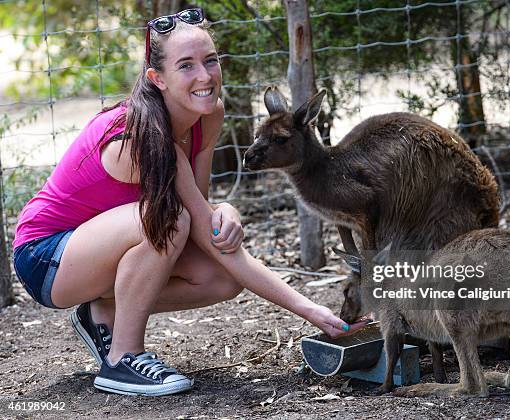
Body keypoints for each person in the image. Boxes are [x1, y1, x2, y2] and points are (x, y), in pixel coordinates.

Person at [12, 8, 366, 397]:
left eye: (210, 60)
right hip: (47, 256)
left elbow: (203, 215)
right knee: (170, 220)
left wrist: (224, 211)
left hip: (101, 247)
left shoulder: (208, 115)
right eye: (186, 65)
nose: (204, 76)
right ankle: (121, 360)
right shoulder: (142, 137)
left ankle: (104, 313)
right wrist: (310, 310)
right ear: (157, 78)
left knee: (221, 277)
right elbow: (192, 221)